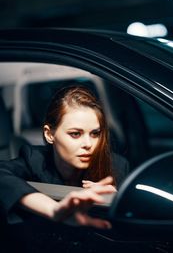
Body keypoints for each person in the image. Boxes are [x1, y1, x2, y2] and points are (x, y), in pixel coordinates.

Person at [0, 85, 129, 228]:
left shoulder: (116, 166)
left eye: (95, 134)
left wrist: (119, 202)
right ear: (49, 134)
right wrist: (52, 209)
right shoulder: (34, 160)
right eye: (75, 134)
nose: (88, 144)